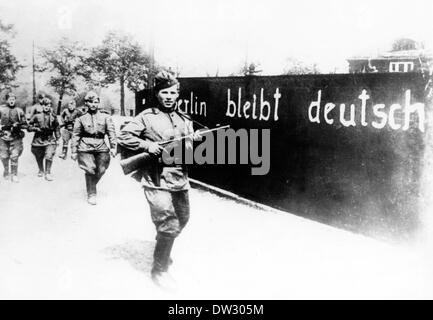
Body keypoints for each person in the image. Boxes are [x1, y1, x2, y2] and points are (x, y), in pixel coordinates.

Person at [118, 71, 203, 288]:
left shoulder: (185, 119)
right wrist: (148, 146)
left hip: (179, 177)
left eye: (173, 92)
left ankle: (163, 244)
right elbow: (124, 136)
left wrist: (192, 140)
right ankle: (159, 270)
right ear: (157, 94)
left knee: (183, 219)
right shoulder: (146, 117)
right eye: (164, 92)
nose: (168, 96)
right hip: (155, 179)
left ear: (178, 95)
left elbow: (188, 151)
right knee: (169, 222)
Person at [71, 91, 117, 205]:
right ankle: (92, 193)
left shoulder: (106, 117)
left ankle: (91, 185)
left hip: (101, 146)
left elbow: (111, 133)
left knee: (101, 170)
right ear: (86, 103)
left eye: (96, 102)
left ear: (98, 103)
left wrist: (114, 147)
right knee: (90, 169)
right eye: (90, 102)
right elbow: (75, 135)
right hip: (85, 147)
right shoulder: (80, 119)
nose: (93, 105)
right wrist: (73, 151)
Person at [27, 97, 61, 181]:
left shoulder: (53, 117)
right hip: (38, 139)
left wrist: (58, 138)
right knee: (39, 155)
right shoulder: (37, 116)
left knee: (49, 155)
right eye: (45, 105)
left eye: (49, 105)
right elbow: (28, 126)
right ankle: (41, 170)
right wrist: (35, 129)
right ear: (42, 106)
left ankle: (48, 173)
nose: (47, 107)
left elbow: (57, 127)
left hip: (49, 138)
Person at [0, 92, 27, 183]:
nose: (12, 101)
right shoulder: (1, 109)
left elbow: (25, 124)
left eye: (13, 99)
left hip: (16, 137)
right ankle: (6, 170)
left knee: (14, 156)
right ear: (7, 100)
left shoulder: (19, 111)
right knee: (3, 156)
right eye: (10, 99)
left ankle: (14, 174)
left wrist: (18, 125)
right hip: (3, 136)